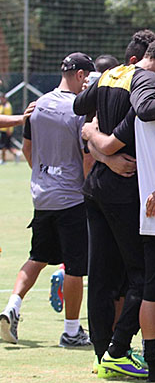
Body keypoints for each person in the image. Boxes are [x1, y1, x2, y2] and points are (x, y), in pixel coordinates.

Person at [75, 35, 155, 377]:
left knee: (102, 277)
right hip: (124, 190)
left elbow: (80, 108)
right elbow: (141, 115)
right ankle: (118, 348)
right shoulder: (145, 78)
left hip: (96, 189)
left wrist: (94, 143)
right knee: (146, 275)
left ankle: (102, 354)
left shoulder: (113, 73)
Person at [0, 53, 95, 347]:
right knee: (75, 267)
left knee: (37, 257)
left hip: (42, 196)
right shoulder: (79, 110)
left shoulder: (38, 105)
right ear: (80, 75)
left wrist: (43, 178)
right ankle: (71, 331)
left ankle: (11, 306)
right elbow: (86, 157)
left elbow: (27, 150)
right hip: (71, 197)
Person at [0, 92, 22, 163]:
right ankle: (16, 154)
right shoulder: (1, 106)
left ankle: (3, 160)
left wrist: (8, 129)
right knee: (7, 146)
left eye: (2, 98)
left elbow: (9, 118)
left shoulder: (7, 107)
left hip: (6, 129)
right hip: (2, 128)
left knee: (3, 146)